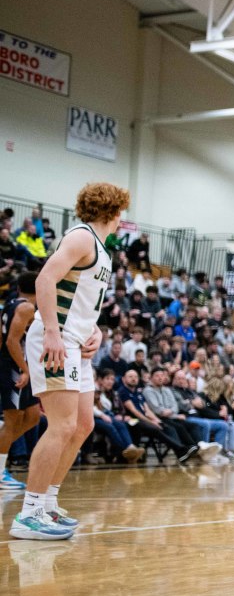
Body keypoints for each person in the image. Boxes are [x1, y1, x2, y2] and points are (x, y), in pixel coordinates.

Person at [10, 183, 125, 540]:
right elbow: (45, 278)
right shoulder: (82, 237)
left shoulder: (101, 250)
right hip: (56, 340)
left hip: (77, 342)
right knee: (61, 424)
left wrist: (98, 334)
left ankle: (48, 503)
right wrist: (53, 334)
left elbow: (82, 303)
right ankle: (29, 514)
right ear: (114, 211)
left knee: (82, 425)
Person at [1, 272, 43, 489]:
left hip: (17, 366)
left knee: (33, 416)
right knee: (12, 420)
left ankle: (1, 448)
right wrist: (24, 370)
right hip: (14, 367)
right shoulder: (26, 307)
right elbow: (11, 342)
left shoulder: (12, 304)